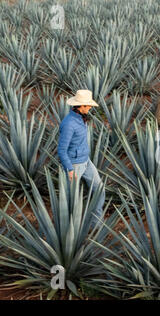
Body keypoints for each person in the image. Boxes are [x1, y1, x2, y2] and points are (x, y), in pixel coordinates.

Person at [57, 89, 105, 227]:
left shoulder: (81, 118)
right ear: (80, 106)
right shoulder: (69, 124)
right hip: (74, 165)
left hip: (86, 161)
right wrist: (70, 169)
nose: (90, 108)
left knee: (99, 189)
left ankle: (96, 224)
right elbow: (61, 150)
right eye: (88, 105)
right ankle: (70, 230)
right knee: (72, 200)